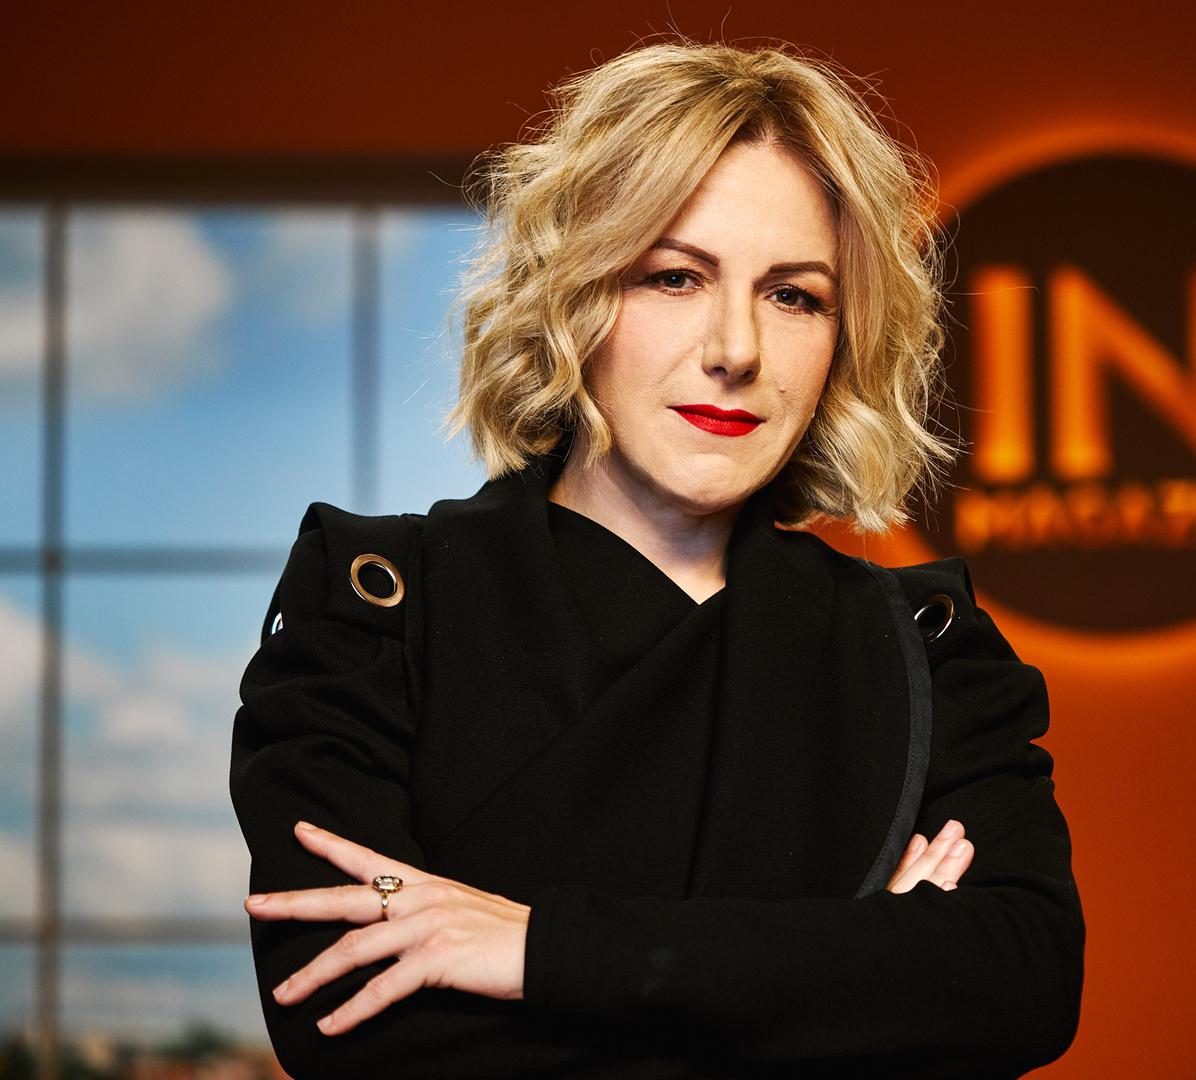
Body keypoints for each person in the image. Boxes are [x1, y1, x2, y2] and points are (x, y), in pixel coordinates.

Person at [230, 37, 1084, 1079]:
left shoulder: (925, 654)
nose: (736, 349)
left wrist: (542, 952)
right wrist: (858, 979)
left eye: (795, 296)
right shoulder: (374, 611)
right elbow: (356, 1024)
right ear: (572, 297)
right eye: (675, 277)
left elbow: (1024, 980)